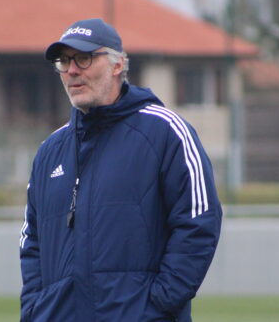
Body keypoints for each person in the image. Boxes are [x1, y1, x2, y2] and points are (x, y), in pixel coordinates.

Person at [19, 18, 222, 322]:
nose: (72, 70)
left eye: (84, 58)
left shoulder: (165, 132)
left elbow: (199, 221)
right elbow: (31, 241)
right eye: (64, 61)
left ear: (118, 65)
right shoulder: (50, 151)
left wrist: (156, 305)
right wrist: (36, 309)